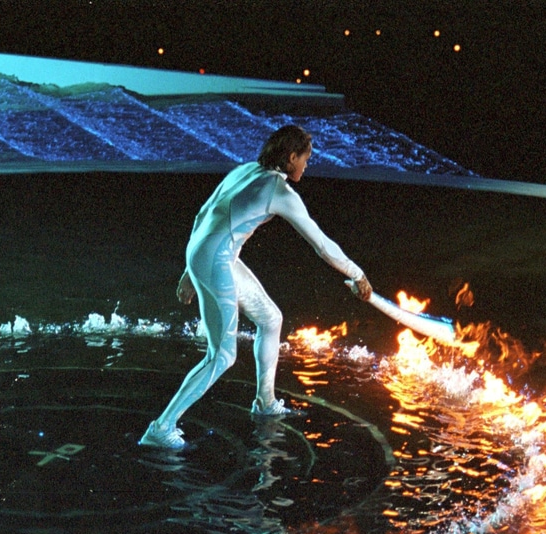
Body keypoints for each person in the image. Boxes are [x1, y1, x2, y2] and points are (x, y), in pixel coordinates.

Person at [140, 125, 373, 450]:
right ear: (291, 157)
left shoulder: (245, 170)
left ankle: (265, 402)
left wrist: (189, 269)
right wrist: (357, 274)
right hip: (215, 258)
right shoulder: (280, 193)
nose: (307, 165)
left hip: (208, 252)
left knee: (270, 319)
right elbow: (321, 244)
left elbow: (202, 214)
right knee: (221, 355)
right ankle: (161, 427)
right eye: (305, 158)